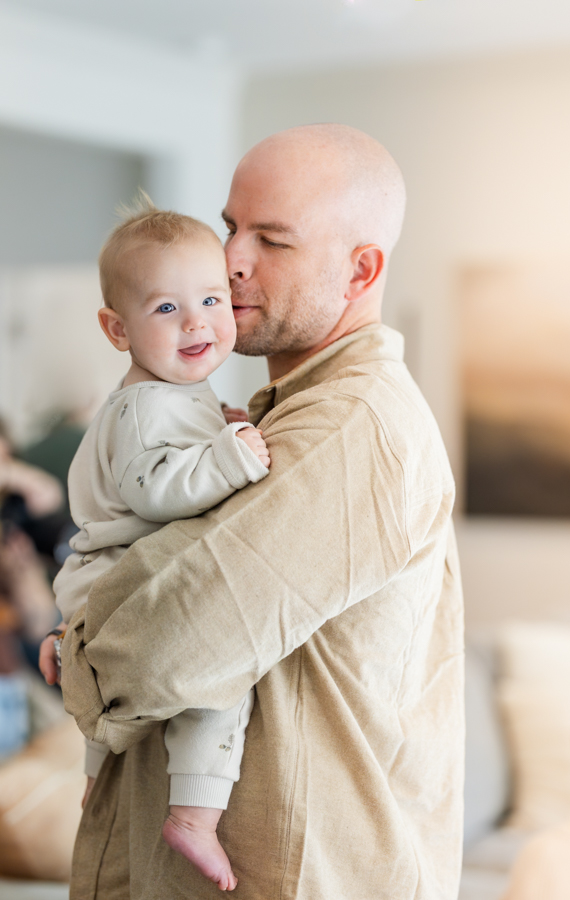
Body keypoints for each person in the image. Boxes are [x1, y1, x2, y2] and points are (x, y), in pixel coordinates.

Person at [54, 124, 464, 900]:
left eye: (271, 240)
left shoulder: (349, 423)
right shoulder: (248, 417)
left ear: (360, 270)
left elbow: (174, 636)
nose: (230, 258)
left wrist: (74, 642)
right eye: (231, 226)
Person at [41, 203, 271, 891]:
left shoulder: (172, 395)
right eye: (167, 307)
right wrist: (231, 459)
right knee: (216, 674)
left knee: (131, 707)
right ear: (118, 329)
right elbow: (155, 489)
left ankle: (96, 788)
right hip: (118, 581)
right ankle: (195, 815)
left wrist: (217, 427)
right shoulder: (146, 406)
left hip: (109, 581)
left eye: (210, 298)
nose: (197, 320)